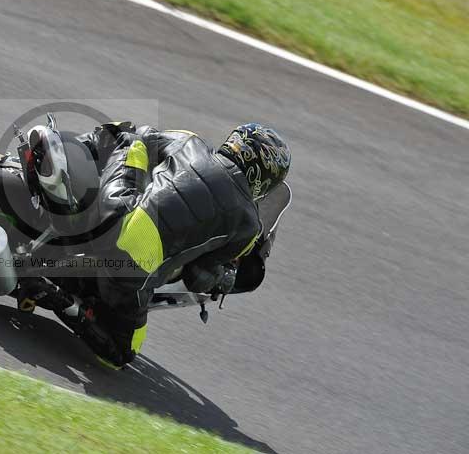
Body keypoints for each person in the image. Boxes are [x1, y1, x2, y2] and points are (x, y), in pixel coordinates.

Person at [20, 122, 291, 369]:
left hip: (112, 208)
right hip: (128, 271)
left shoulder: (190, 140)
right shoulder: (248, 227)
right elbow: (197, 275)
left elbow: (145, 138)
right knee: (122, 354)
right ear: (264, 176)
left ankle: (67, 155)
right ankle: (57, 296)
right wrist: (220, 278)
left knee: (133, 139)